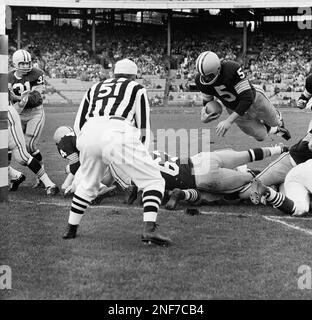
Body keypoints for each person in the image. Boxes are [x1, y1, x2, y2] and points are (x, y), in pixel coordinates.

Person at [63, 58, 171, 246]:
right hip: (118, 130)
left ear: (114, 74)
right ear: (134, 76)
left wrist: (85, 144)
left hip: (90, 132)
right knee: (154, 180)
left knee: (88, 184)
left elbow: (78, 123)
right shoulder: (137, 88)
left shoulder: (94, 87)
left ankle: (70, 229)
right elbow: (144, 125)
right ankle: (149, 229)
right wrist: (142, 153)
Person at [128, 145, 288, 210]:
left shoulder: (139, 169)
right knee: (247, 155)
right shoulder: (155, 152)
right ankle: (280, 149)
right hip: (201, 159)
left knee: (244, 184)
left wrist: (133, 196)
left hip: (200, 178)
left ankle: (266, 188)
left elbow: (145, 194)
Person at [195, 51, 291, 141]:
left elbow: (247, 98)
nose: (206, 79)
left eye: (209, 76)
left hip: (254, 99)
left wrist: (229, 121)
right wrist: (205, 113)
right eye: (203, 76)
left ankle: (277, 117)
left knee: (275, 122)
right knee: (261, 136)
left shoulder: (231, 69)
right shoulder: (200, 81)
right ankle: (275, 130)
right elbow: (208, 101)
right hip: (233, 108)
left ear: (218, 69)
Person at [8, 49, 47, 188]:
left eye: (28, 63)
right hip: (16, 114)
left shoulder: (37, 73)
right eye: (22, 63)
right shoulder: (8, 77)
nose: (26, 66)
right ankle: (14, 176)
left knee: (29, 146)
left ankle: (42, 177)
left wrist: (17, 98)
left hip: (34, 113)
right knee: (7, 144)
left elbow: (37, 98)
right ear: (15, 63)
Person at [8, 90, 59, 195]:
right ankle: (15, 176)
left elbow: (32, 98)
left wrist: (18, 98)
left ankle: (49, 183)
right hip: (13, 112)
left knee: (22, 155)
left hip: (7, 116)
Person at [53, 126, 117, 202]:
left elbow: (75, 168)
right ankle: (122, 185)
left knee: (78, 183)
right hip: (112, 169)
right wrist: (66, 184)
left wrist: (68, 170)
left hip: (98, 165)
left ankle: (101, 188)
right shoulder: (81, 135)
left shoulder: (64, 141)